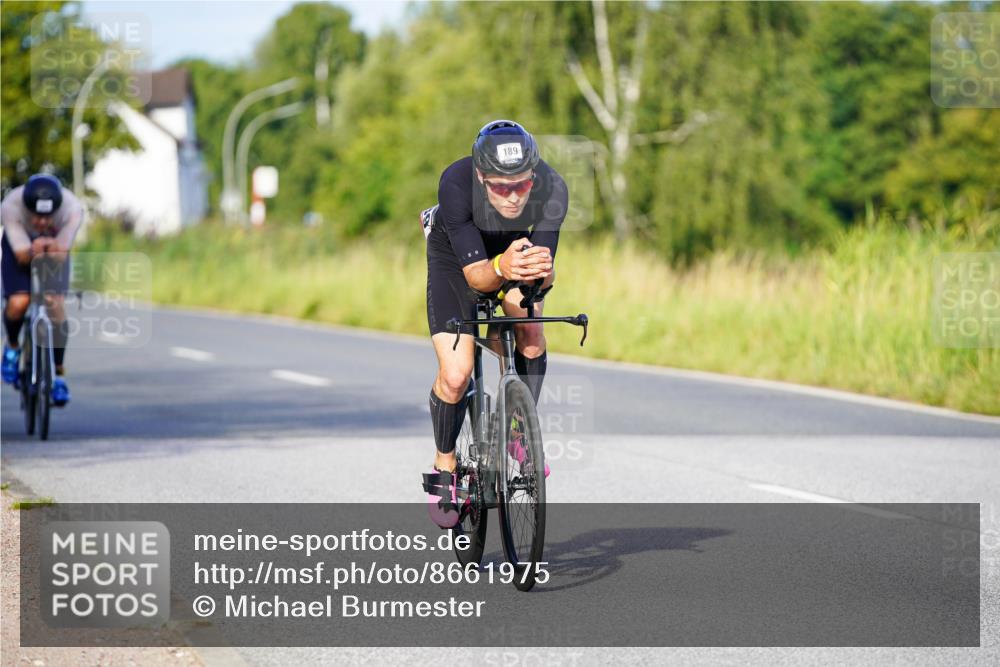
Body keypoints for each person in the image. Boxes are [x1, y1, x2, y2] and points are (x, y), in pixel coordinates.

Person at [421, 120, 568, 528]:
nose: (513, 196)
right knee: (456, 374)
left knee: (532, 334)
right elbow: (478, 279)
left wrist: (538, 272)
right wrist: (503, 266)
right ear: (482, 176)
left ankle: (518, 431)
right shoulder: (456, 183)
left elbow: (544, 270)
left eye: (521, 185)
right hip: (457, 260)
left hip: (512, 253)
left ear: (533, 176)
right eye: (501, 187)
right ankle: (445, 461)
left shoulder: (552, 188)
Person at [1, 173, 84, 405]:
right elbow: (21, 255)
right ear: (27, 208)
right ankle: (12, 347)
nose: (41, 223)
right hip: (18, 246)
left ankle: (58, 374)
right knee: (19, 302)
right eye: (36, 217)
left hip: (54, 248)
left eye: (47, 217)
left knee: (55, 305)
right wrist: (33, 247)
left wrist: (50, 246)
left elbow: (60, 254)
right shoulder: (10, 206)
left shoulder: (72, 208)